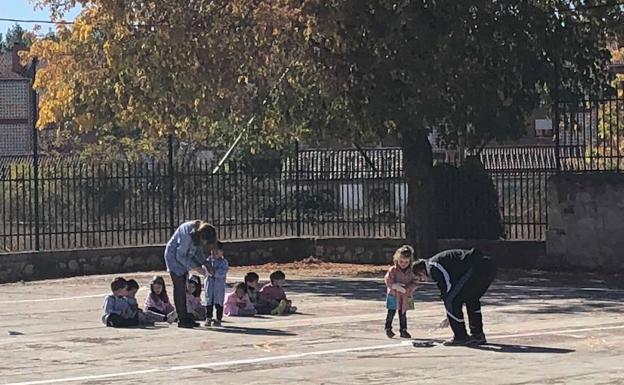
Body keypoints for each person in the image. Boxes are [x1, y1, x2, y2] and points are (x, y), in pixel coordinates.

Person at [412, 248, 497, 346]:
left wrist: (450, 313)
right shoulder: (436, 262)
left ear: (421, 271)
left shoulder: (432, 267)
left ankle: (460, 336)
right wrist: (451, 314)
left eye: (420, 277)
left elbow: (447, 288)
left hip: (475, 268)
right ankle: (477, 334)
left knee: (450, 301)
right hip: (487, 267)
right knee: (472, 299)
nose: (423, 280)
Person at [164, 220, 218, 328]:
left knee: (183, 287)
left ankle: (184, 316)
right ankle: (182, 319)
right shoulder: (187, 234)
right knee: (179, 287)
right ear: (202, 236)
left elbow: (197, 252)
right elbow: (180, 256)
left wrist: (206, 263)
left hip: (185, 258)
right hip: (173, 258)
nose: (205, 244)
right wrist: (196, 268)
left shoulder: (198, 234)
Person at [384, 245, 419, 339]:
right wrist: (394, 285)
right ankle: (388, 328)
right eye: (401, 261)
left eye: (406, 262)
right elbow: (388, 280)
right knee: (391, 312)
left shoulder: (412, 271)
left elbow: (415, 282)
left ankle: (403, 330)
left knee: (403, 313)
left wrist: (407, 289)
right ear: (397, 260)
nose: (403, 264)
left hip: (405, 296)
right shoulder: (393, 270)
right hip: (394, 295)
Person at [204, 242, 229, 327]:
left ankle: (218, 318)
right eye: (212, 251)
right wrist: (208, 271)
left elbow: (223, 272)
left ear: (222, 252)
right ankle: (208, 317)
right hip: (209, 284)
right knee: (208, 301)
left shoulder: (224, 262)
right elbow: (204, 270)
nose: (214, 254)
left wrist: (214, 273)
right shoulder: (208, 261)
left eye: (217, 252)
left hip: (219, 286)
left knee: (219, 302)